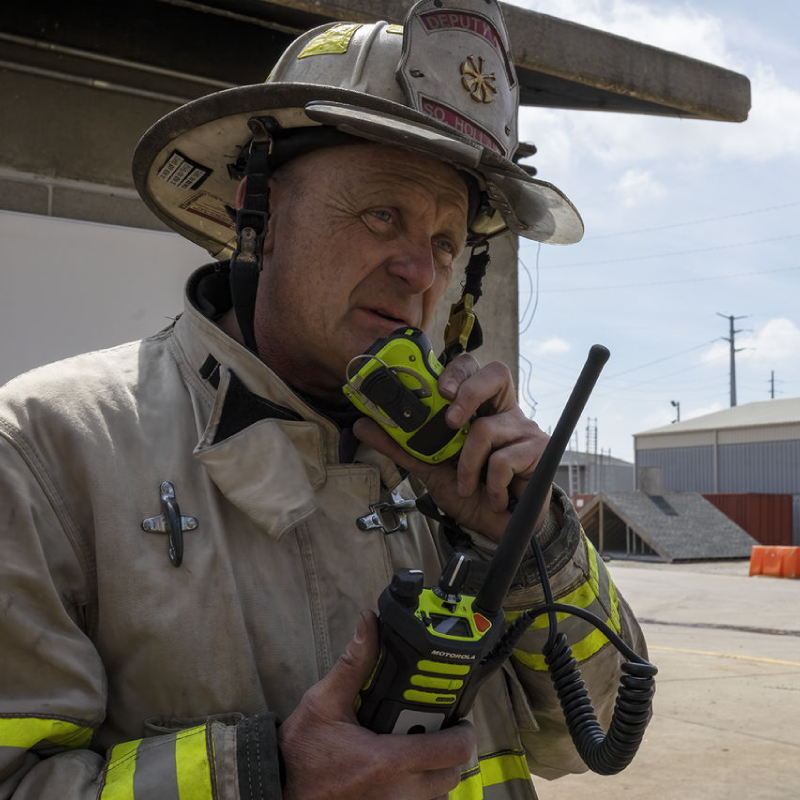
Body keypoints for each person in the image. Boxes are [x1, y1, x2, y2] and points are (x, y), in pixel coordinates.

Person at [0, 0, 649, 798]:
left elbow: (588, 738)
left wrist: (530, 542)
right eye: (383, 215)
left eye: (446, 242)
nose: (422, 272)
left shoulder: (463, 475)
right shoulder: (46, 449)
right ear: (257, 212)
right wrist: (271, 779)